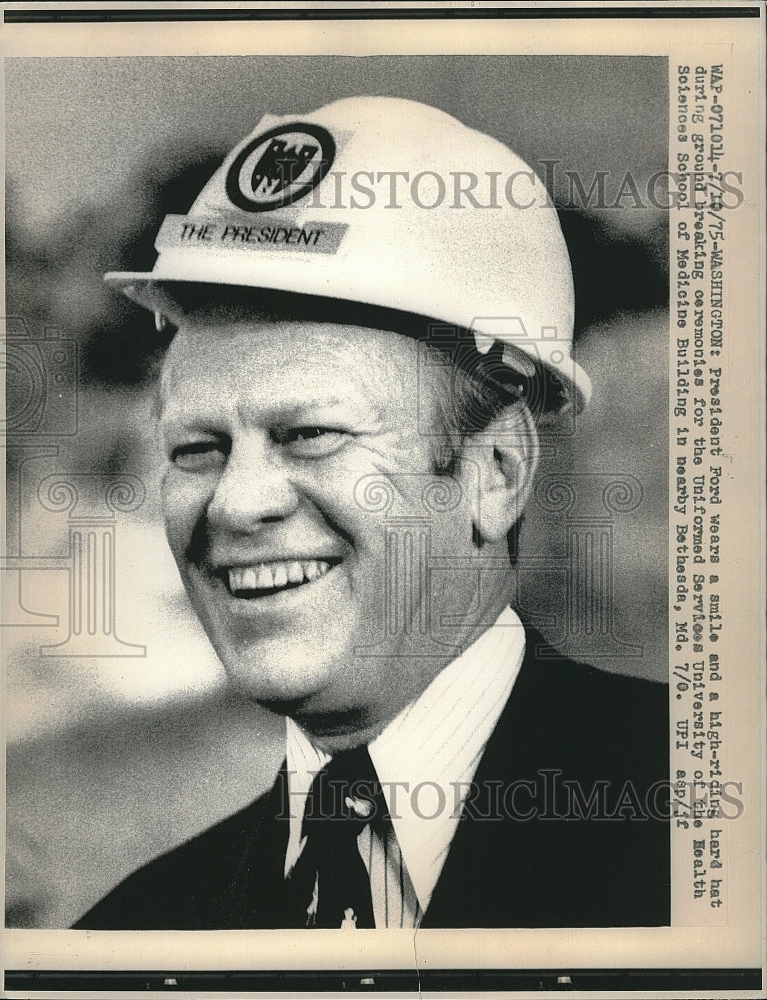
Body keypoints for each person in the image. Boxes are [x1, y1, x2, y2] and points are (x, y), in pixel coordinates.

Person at [73, 96, 669, 930]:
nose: (237, 503)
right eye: (196, 449)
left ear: (494, 473)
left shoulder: (708, 832)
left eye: (311, 433)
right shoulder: (135, 932)